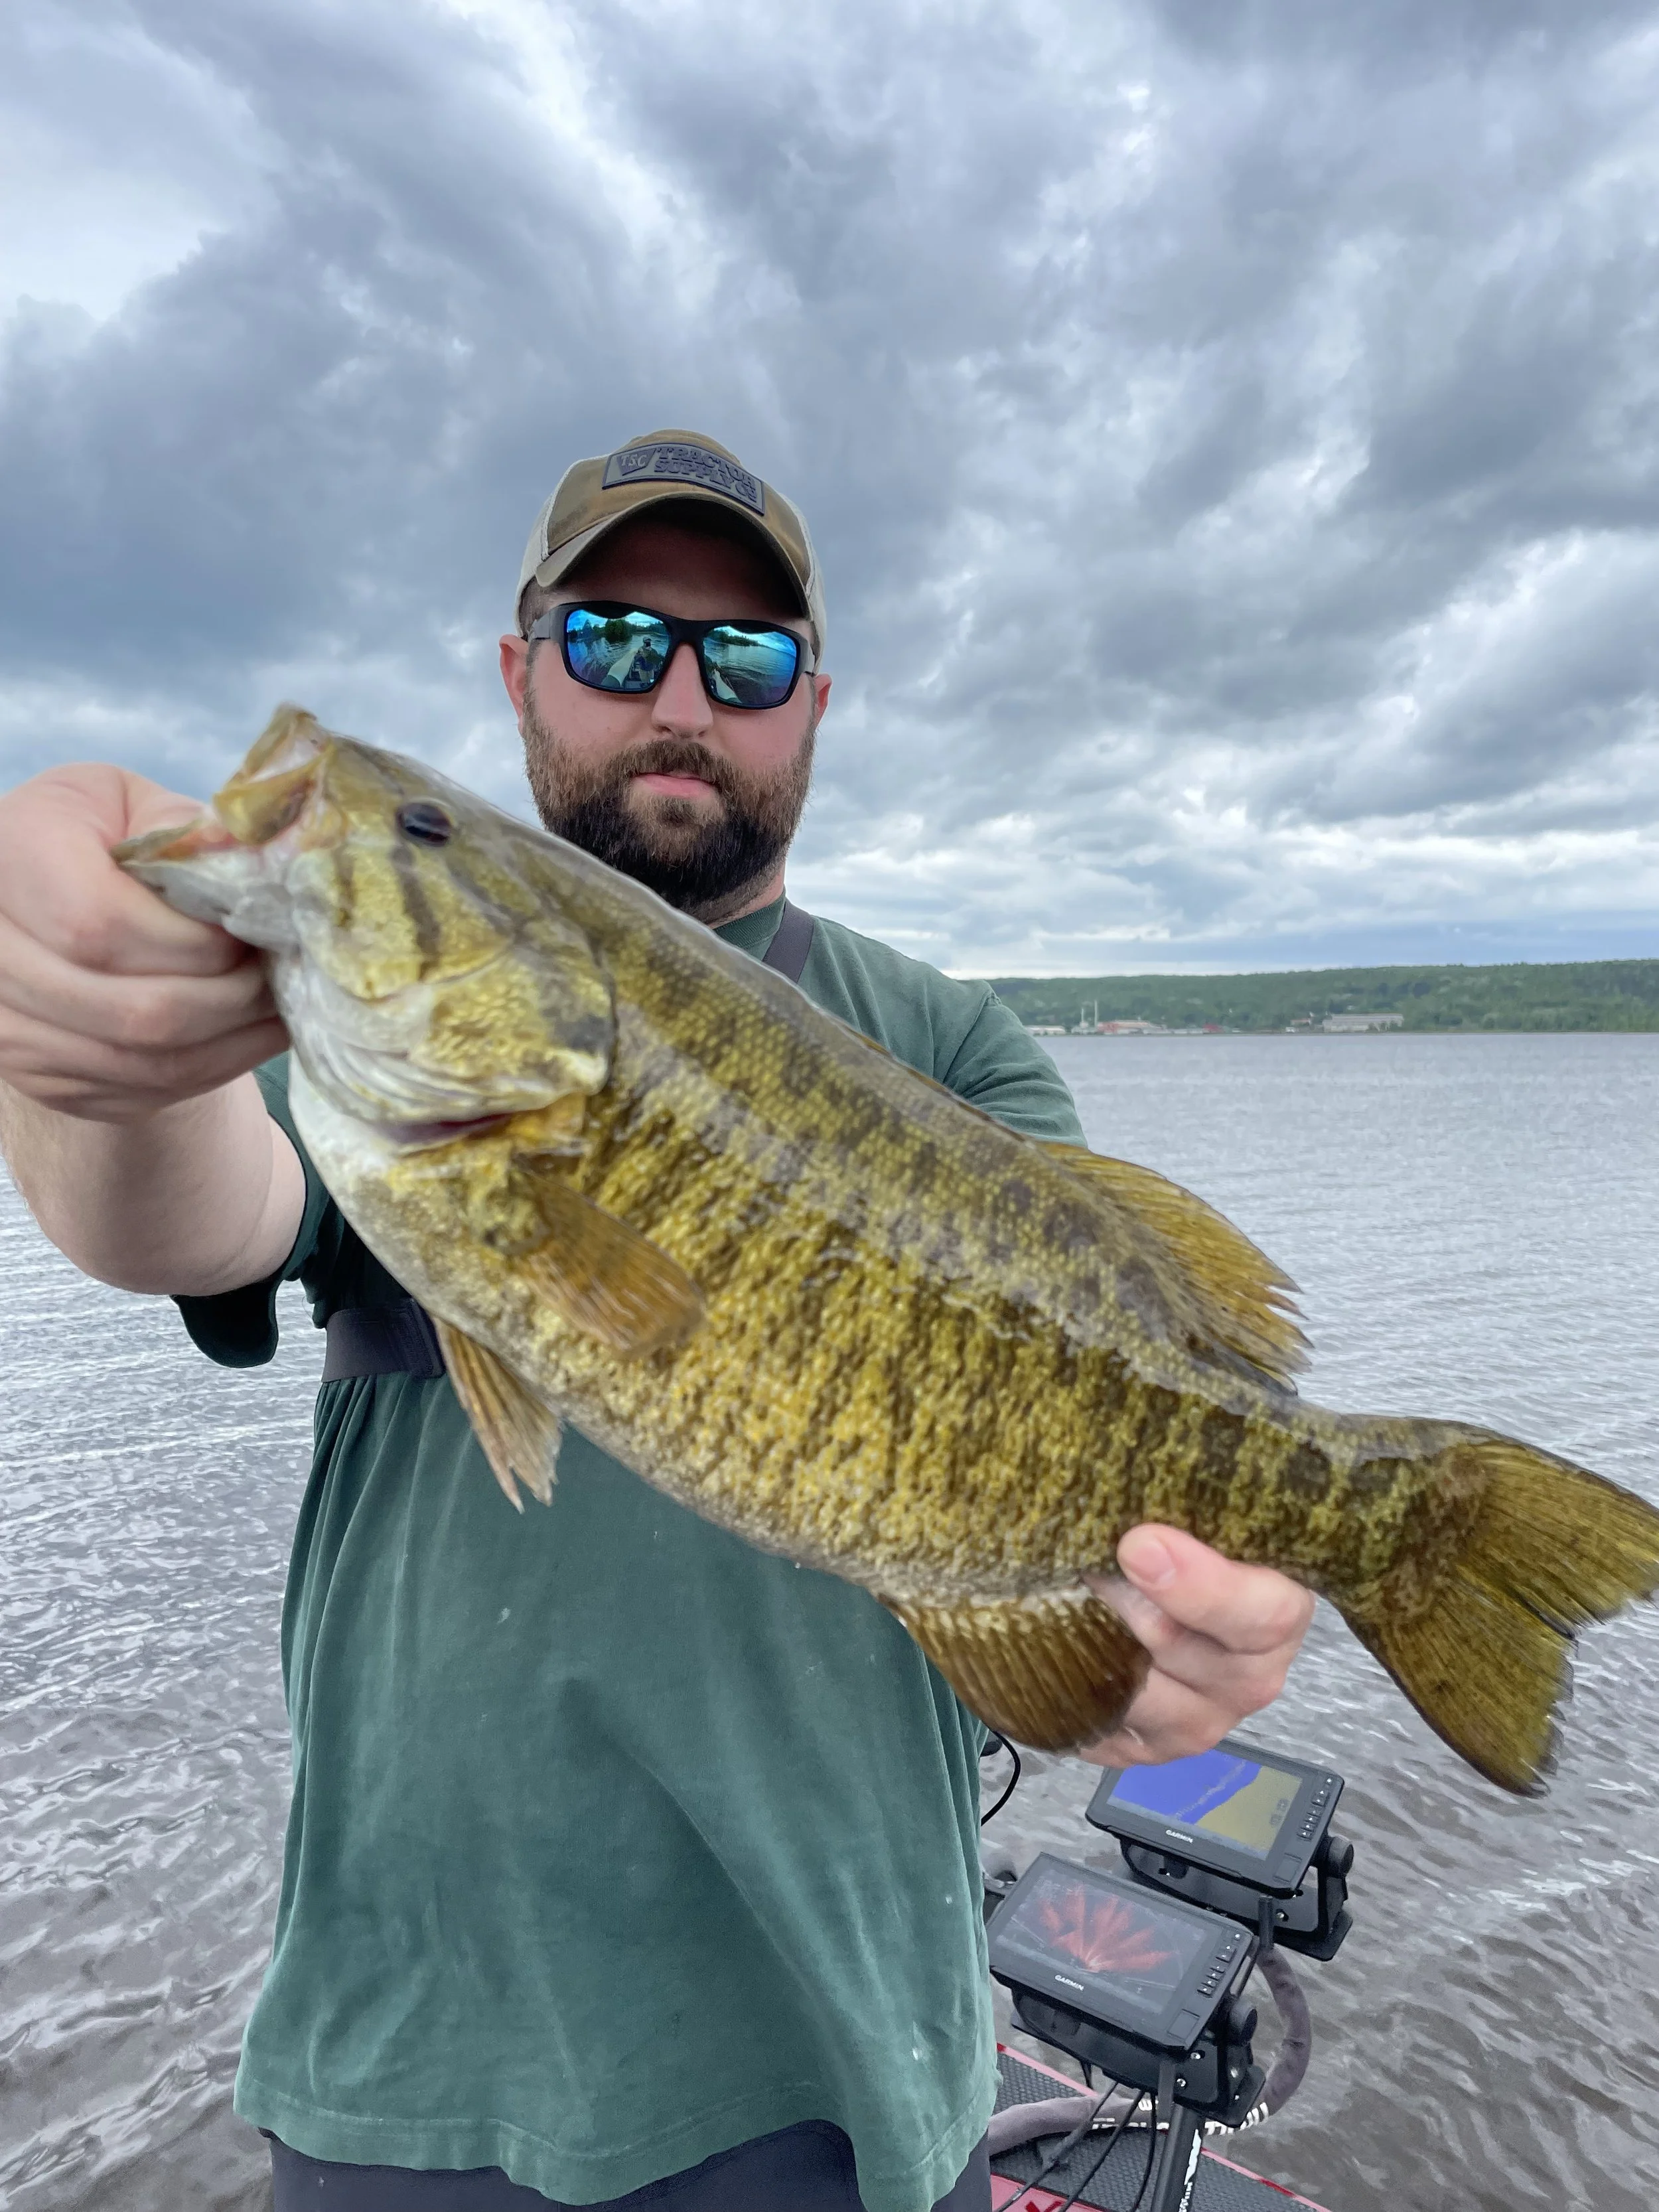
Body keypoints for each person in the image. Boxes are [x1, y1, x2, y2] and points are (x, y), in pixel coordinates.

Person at [0, 430, 1315, 2212]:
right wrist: (89, 1044)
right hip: (417, 2054)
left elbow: (1084, 1465)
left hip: (838, 2058)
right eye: (614, 640)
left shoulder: (954, 1050)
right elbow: (185, 1209)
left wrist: (1166, 1638)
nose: (678, 693)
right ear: (521, 667)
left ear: (813, 706)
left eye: (744, 656)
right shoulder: (381, 1044)